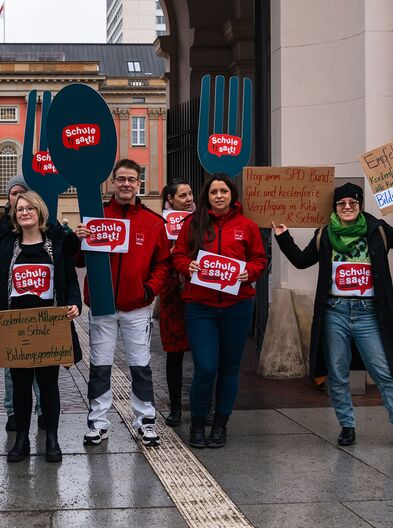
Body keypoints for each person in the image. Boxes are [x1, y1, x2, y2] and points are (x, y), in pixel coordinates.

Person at [273, 182, 393, 451]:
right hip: (335, 312)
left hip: (369, 314)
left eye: (353, 203)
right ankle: (347, 426)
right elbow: (301, 260)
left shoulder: (377, 229)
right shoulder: (324, 234)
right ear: (335, 207)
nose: (347, 207)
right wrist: (283, 237)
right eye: (341, 204)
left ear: (359, 206)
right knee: (337, 373)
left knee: (384, 373)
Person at [77, 159, 170, 447]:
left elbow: (163, 264)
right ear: (112, 183)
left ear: (139, 183)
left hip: (137, 307)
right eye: (121, 179)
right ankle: (98, 422)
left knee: (140, 365)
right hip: (103, 306)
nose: (126, 184)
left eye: (132, 179)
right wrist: (78, 240)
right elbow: (79, 261)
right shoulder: (96, 217)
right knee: (100, 366)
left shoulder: (154, 223)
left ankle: (145, 421)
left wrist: (149, 290)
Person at [171, 175, 268, 448]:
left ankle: (220, 425)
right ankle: (199, 422)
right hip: (200, 306)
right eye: (213, 192)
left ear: (232, 194)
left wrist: (249, 272)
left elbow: (260, 260)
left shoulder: (247, 227)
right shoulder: (193, 224)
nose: (219, 196)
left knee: (229, 368)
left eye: (224, 191)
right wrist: (186, 266)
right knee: (205, 368)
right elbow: (178, 255)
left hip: (237, 306)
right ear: (207, 196)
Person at [0, 191, 82, 463]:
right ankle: (21, 439)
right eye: (19, 209)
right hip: (16, 326)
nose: (24, 212)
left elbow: (70, 280)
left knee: (49, 384)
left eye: (30, 208)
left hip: (49, 325)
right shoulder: (8, 246)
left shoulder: (55, 245)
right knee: (20, 385)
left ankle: (52, 438)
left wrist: (75, 304)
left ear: (40, 212)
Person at [0, 173, 42, 432]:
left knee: (42, 365)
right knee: (12, 367)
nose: (17, 197)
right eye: (13, 193)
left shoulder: (43, 231)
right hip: (12, 308)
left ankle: (43, 410)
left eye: (22, 193)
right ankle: (13, 412)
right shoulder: (1, 228)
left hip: (38, 309)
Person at [158, 180, 195, 427]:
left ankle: (203, 406)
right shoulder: (161, 224)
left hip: (198, 291)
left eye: (191, 194)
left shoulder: (201, 221)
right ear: (171, 199)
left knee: (204, 354)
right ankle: (175, 407)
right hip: (172, 296)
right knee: (174, 355)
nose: (190, 198)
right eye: (183, 195)